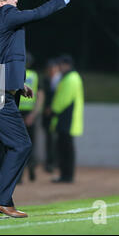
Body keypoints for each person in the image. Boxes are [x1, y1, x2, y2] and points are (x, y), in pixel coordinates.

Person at [0, 0, 82, 220]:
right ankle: (0, 200)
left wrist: (18, 82)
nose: (16, 0)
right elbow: (39, 13)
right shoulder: (5, 14)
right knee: (22, 145)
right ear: (2, 4)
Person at [50, 55, 84, 183]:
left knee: (66, 149)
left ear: (66, 65)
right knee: (65, 148)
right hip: (66, 119)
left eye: (60, 65)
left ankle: (67, 176)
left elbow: (63, 99)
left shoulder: (71, 78)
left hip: (66, 120)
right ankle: (66, 175)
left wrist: (53, 110)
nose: (59, 67)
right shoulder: (71, 77)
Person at [18, 53, 44, 182]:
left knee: (18, 145)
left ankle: (19, 176)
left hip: (18, 113)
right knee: (30, 144)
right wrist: (34, 114)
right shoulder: (35, 76)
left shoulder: (16, 73)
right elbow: (40, 96)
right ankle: (32, 170)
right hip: (30, 115)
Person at [41, 58, 62, 173]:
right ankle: (50, 162)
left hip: (55, 113)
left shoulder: (60, 80)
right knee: (49, 139)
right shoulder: (45, 80)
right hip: (47, 114)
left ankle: (55, 162)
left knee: (56, 139)